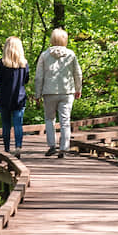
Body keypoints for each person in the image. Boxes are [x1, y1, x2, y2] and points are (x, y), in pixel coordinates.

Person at [34, 28, 82, 158]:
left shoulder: (45, 55)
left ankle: (51, 146)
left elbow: (39, 76)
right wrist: (78, 89)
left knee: (49, 119)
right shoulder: (71, 54)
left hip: (49, 92)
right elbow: (77, 73)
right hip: (67, 92)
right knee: (65, 121)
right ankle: (64, 148)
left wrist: (37, 94)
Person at [0, 36, 29, 158]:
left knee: (6, 124)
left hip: (4, 97)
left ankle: (7, 148)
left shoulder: (1, 63)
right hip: (19, 98)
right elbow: (26, 80)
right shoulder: (24, 64)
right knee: (18, 124)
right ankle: (18, 146)